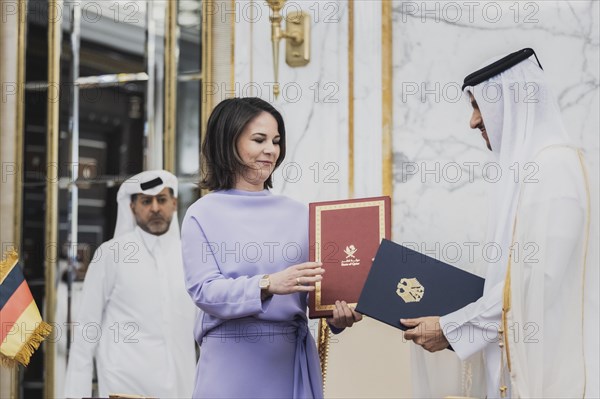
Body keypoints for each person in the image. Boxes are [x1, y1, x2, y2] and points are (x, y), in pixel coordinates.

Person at [402, 48, 592, 397]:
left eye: (477, 106)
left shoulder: (554, 169)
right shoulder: (530, 171)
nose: (473, 121)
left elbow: (533, 283)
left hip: (550, 375)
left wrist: (452, 328)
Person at [181, 97, 362, 399]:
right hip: (231, 365)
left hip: (288, 362)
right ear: (228, 141)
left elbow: (316, 292)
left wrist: (336, 316)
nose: (271, 150)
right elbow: (204, 291)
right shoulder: (202, 213)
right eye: (259, 139)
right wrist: (267, 284)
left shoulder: (301, 213)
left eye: (276, 141)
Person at [64, 170, 196, 398]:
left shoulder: (189, 256)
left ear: (174, 204)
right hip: (124, 387)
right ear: (132, 207)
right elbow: (86, 331)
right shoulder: (111, 254)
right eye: (146, 201)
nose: (155, 208)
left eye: (162, 200)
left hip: (183, 386)